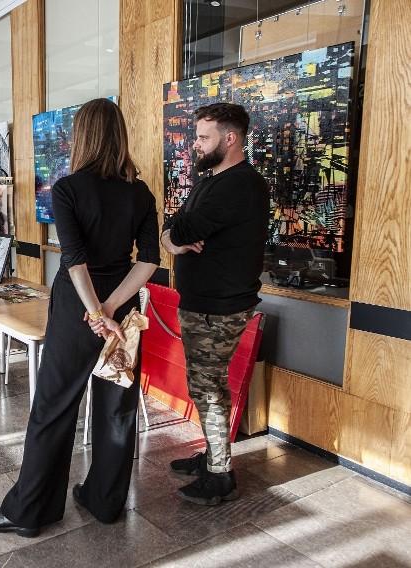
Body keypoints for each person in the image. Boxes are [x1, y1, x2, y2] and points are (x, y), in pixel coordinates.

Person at [0, 98, 160, 536]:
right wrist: (113, 309)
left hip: (80, 310)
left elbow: (75, 261)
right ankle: (105, 501)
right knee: (117, 407)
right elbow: (149, 261)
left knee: (54, 407)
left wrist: (96, 311)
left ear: (83, 137)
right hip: (123, 309)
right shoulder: (140, 192)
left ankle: (29, 512)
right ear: (119, 135)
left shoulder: (67, 189)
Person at [161, 103, 270, 506]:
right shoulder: (212, 180)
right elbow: (170, 226)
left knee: (205, 387)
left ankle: (220, 475)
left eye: (204, 137)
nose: (196, 144)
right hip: (205, 302)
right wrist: (172, 237)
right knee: (209, 384)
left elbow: (181, 227)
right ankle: (213, 455)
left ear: (230, 138)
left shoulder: (240, 185)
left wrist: (173, 235)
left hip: (219, 307)